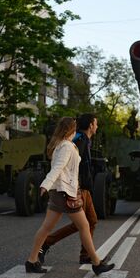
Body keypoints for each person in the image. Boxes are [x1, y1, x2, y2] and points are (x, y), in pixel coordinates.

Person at [25, 117, 114, 276]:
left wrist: (48, 185)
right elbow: (57, 168)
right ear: (70, 130)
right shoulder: (66, 147)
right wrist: (46, 183)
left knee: (47, 227)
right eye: (75, 129)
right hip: (66, 193)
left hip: (60, 192)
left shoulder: (61, 145)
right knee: (84, 226)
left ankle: (31, 261)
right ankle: (96, 263)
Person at [39, 114, 100, 265]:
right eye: (96, 123)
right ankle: (47, 243)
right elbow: (66, 165)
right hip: (77, 188)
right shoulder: (78, 141)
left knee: (90, 221)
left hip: (84, 187)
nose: (97, 126)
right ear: (91, 125)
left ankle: (86, 255)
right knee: (83, 223)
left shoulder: (85, 140)